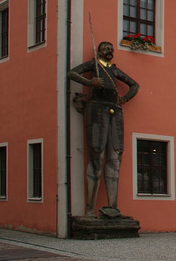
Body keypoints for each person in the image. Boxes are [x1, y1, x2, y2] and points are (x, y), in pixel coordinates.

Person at [69, 41, 139, 217]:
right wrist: (90, 82)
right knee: (96, 156)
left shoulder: (113, 69)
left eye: (111, 49)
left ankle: (113, 207)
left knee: (115, 157)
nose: (109, 51)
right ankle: (90, 210)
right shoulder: (94, 64)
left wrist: (124, 99)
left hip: (114, 109)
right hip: (96, 108)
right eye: (106, 48)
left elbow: (134, 85)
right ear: (99, 51)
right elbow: (72, 73)